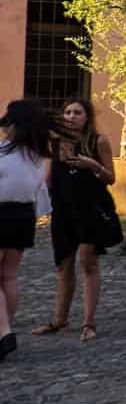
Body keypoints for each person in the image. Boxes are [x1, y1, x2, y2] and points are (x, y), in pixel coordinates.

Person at [34, 98, 119, 343]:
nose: (71, 116)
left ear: (87, 116)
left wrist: (91, 164)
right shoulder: (55, 143)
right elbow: (49, 180)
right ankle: (59, 319)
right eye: (68, 112)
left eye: (77, 112)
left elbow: (110, 178)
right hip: (63, 211)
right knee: (63, 264)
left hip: (90, 209)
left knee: (87, 261)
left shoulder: (97, 141)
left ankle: (88, 322)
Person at [0, 100, 52, 362]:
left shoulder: (2, 153)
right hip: (23, 216)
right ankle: (6, 326)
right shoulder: (37, 157)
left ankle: (4, 332)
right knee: (9, 276)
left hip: (2, 213)